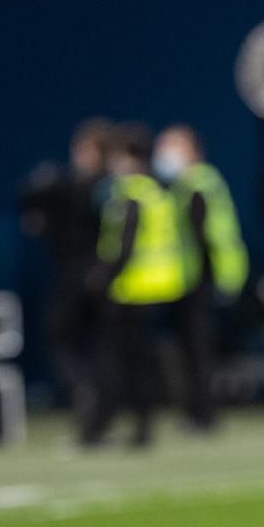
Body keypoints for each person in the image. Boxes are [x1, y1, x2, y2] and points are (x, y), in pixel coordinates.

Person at [82, 123, 187, 447]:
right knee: (143, 362)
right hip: (157, 288)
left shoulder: (130, 194)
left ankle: (103, 427)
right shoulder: (156, 191)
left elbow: (124, 246)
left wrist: (101, 277)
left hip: (131, 291)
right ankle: (142, 428)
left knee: (119, 363)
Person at [153, 124, 249, 432]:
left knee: (198, 349)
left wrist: (219, 279)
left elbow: (204, 236)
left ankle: (204, 414)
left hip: (202, 277)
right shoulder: (187, 184)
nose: (165, 153)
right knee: (191, 348)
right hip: (193, 277)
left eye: (173, 146)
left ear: (193, 150)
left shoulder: (198, 184)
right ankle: (197, 412)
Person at [18, 118, 111, 427]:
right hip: (95, 276)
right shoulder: (87, 185)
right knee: (87, 346)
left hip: (80, 277)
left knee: (64, 340)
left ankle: (86, 392)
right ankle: (91, 404)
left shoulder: (91, 187)